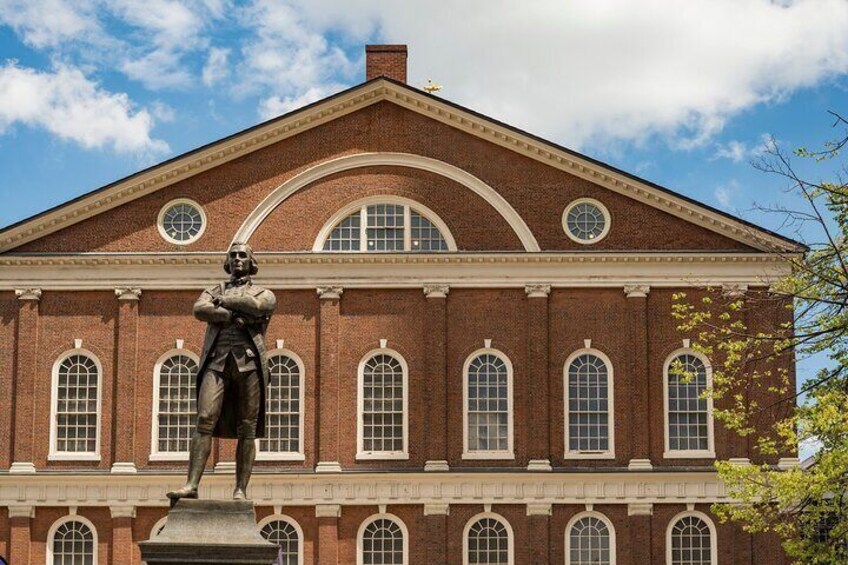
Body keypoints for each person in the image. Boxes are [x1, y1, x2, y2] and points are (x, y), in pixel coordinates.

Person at [167, 242, 276, 501]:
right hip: (217, 362)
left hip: (248, 365)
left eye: (242, 255)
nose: (237, 259)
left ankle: (240, 489)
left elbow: (259, 306)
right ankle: (191, 485)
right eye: (233, 255)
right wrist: (233, 315)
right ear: (228, 262)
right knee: (205, 417)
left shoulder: (263, 292)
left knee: (247, 427)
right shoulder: (212, 289)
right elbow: (200, 309)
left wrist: (224, 302)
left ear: (251, 262)